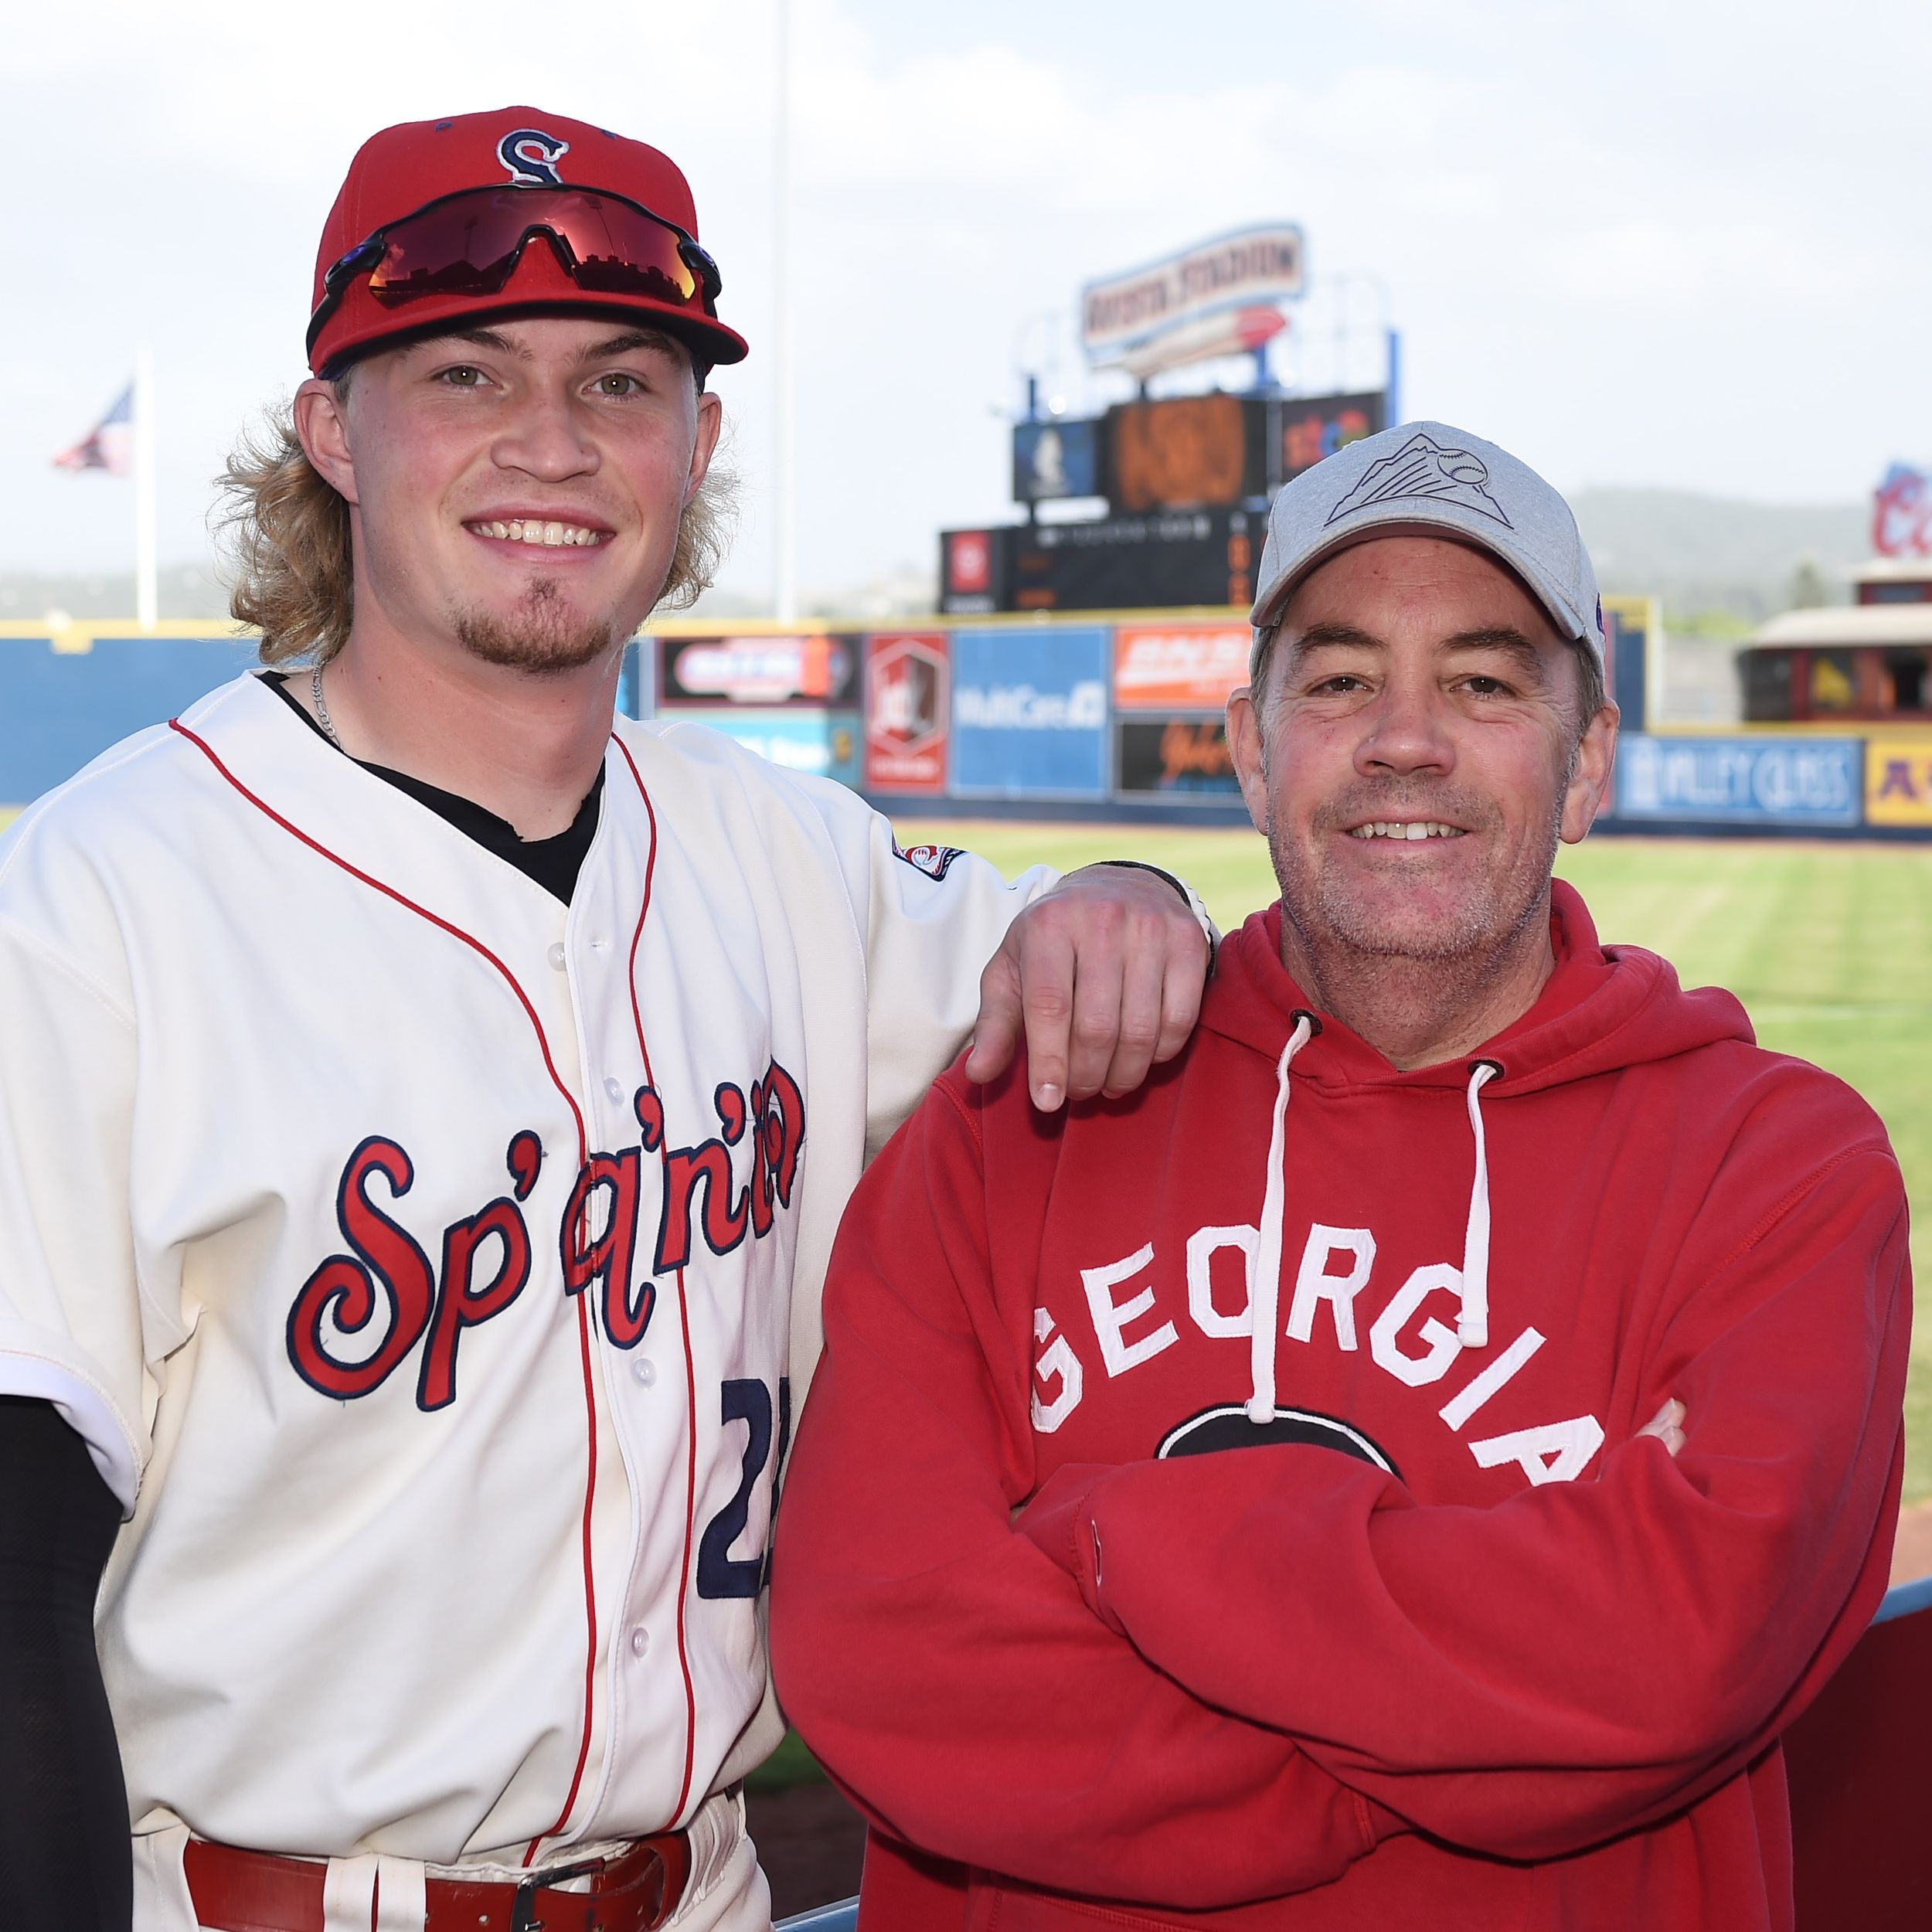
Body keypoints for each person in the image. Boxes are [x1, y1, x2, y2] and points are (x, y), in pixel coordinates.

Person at [0, 106, 1215, 1932]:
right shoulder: (102, 896)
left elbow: (1085, 956)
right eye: (468, 371)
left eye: (623, 380)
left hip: (700, 1887)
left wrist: (1145, 897)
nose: (552, 443)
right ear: (330, 425)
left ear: (696, 440)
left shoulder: (795, 856)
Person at [769, 420, 1913, 1931]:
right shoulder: (1022, 1108)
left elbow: (1682, 1652)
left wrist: (1120, 1537)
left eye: (1484, 681)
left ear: (1584, 764)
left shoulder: (1777, 1169)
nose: (1405, 737)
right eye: (1339, 676)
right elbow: (875, 1650)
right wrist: (1461, 1731)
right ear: (1249, 748)